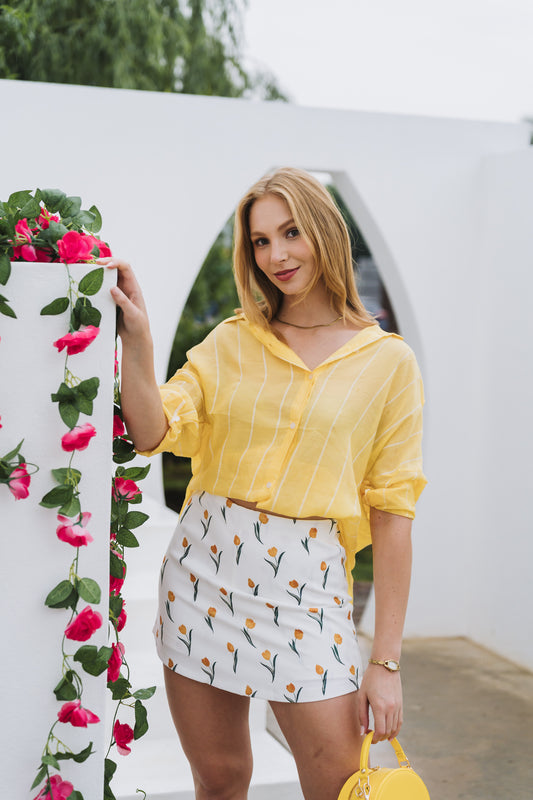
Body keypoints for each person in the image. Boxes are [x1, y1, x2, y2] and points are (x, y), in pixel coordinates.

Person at [102, 167, 427, 800]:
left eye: (291, 233)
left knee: (337, 786)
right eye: (259, 241)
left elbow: (394, 514)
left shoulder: (389, 363)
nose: (276, 255)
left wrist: (384, 664)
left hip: (309, 587)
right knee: (221, 780)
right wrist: (137, 338)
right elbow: (152, 429)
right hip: (203, 575)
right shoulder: (232, 342)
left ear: (326, 234)